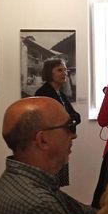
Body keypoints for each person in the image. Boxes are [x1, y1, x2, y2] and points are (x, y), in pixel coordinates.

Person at [34, 58, 82, 186]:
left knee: (56, 184)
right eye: (60, 70)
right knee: (49, 183)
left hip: (60, 143)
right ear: (50, 73)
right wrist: (69, 119)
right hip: (49, 146)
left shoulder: (60, 94)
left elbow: (77, 116)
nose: (64, 73)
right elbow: (48, 121)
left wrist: (68, 120)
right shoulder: (43, 93)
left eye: (65, 70)